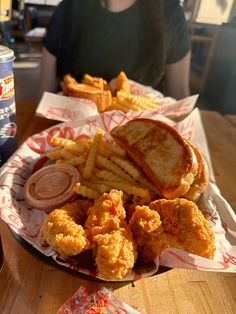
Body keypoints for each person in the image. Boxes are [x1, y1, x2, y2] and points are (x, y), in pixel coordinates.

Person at [38, 0, 191, 100]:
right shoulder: (68, 9)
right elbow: (43, 99)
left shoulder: (170, 13)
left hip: (143, 139)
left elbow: (180, 98)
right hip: (71, 137)